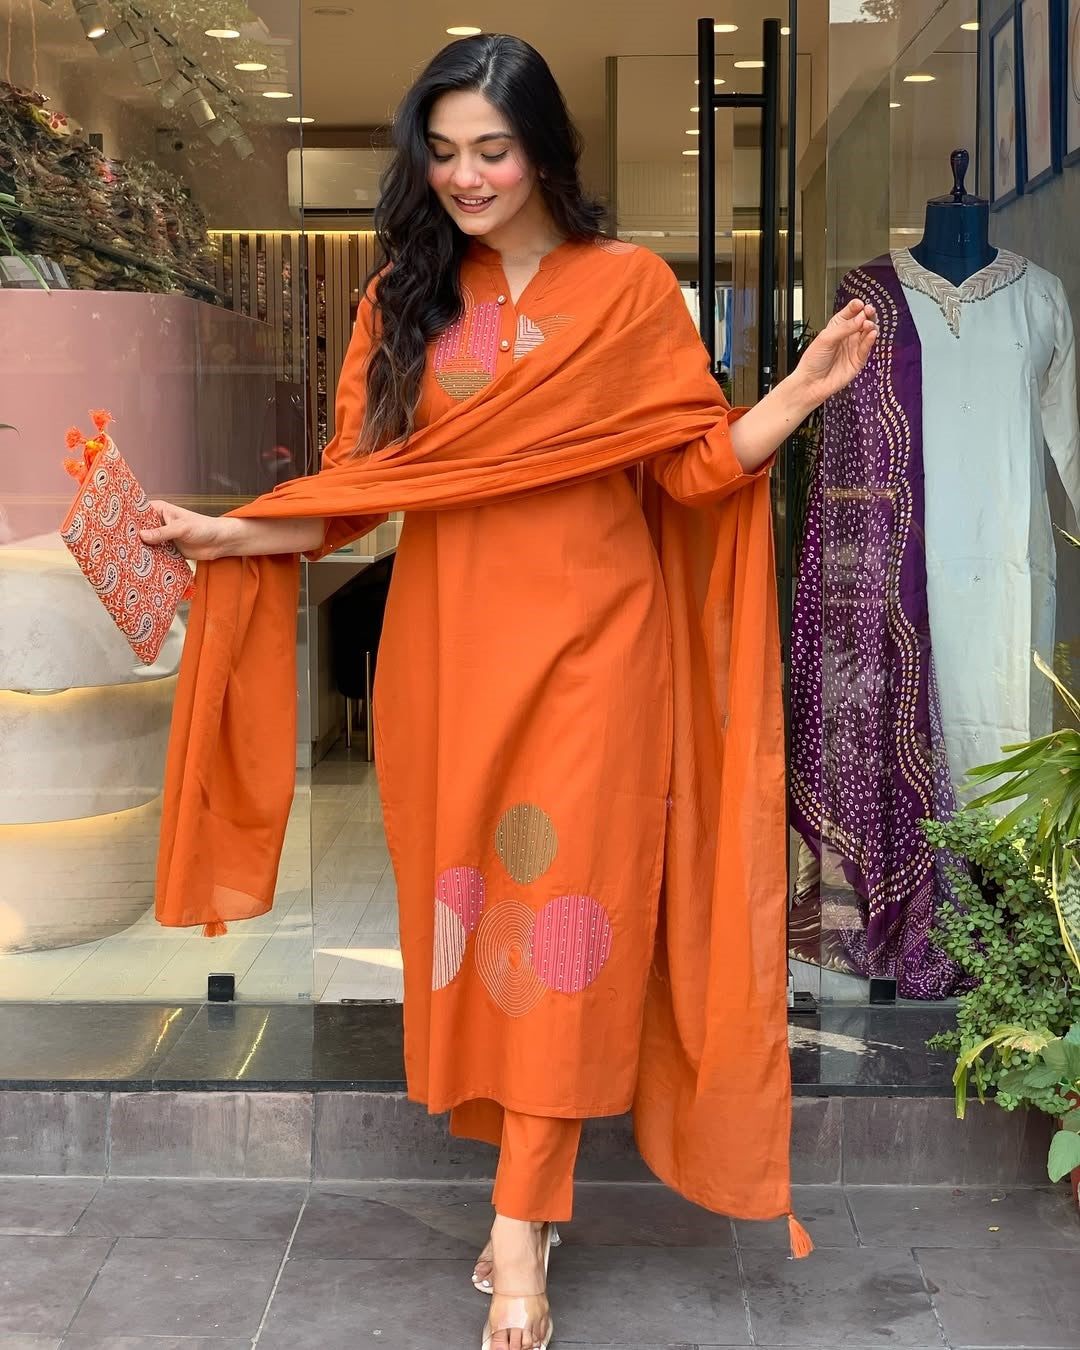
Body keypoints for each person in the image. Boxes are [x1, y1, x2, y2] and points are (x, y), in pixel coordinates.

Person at [142, 35, 877, 1350]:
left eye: (492, 148)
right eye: (444, 152)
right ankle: (522, 1193)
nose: (467, 176)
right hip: (449, 662)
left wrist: (795, 398)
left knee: (567, 919)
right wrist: (225, 532)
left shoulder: (630, 287)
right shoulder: (405, 298)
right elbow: (353, 491)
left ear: (544, 149)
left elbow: (691, 469)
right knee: (478, 924)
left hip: (600, 655)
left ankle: (521, 1221)